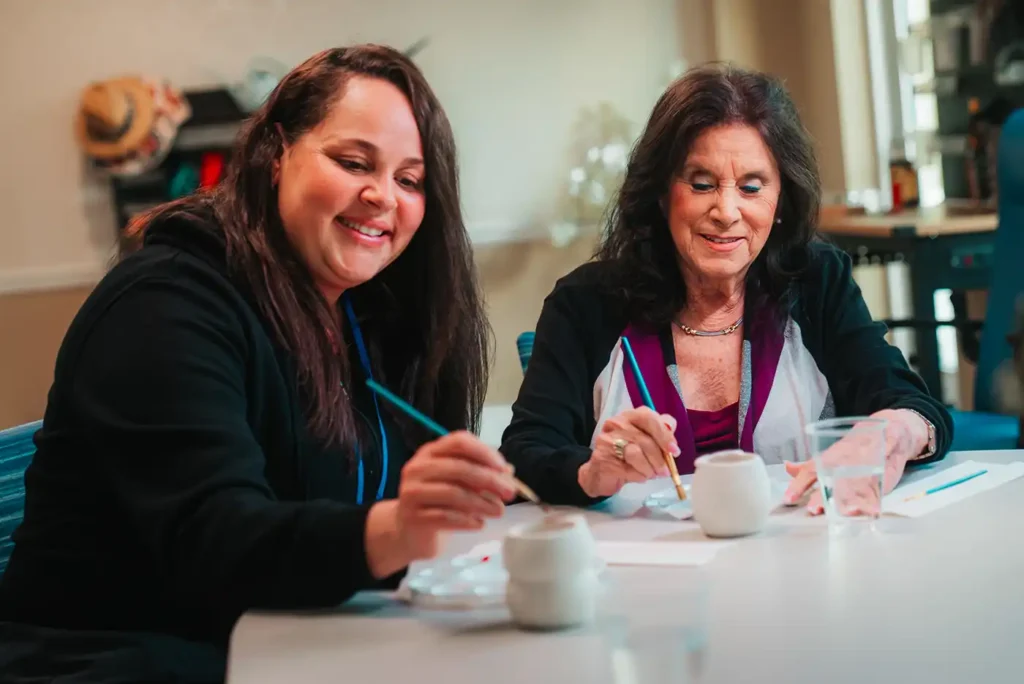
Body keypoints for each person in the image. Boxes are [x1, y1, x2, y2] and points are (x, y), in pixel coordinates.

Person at [0, 45, 516, 683]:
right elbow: (215, 542)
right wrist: (394, 529)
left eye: (410, 180)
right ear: (276, 155)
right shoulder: (163, 303)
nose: (382, 196)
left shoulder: (363, 314)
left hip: (288, 642)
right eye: (353, 162)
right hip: (123, 658)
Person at [500, 64, 952, 511]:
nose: (726, 211)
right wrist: (593, 471)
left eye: (752, 188)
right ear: (661, 194)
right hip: (644, 575)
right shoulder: (585, 302)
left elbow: (913, 406)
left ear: (779, 203)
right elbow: (525, 453)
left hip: (801, 567)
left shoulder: (816, 282)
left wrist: (895, 431)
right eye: (701, 184)